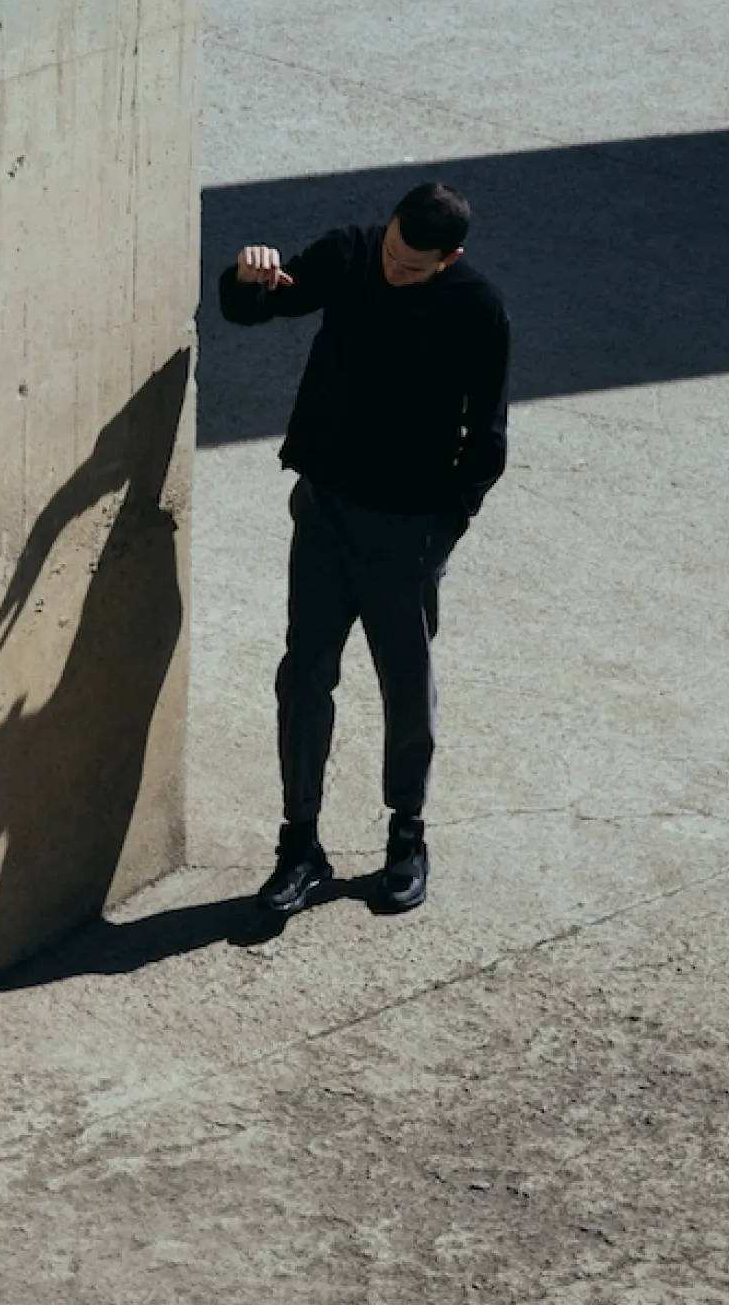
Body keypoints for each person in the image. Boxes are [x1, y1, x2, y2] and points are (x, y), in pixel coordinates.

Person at [218, 181, 509, 916]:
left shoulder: (477, 308)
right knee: (304, 678)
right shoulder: (350, 254)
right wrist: (245, 276)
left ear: (450, 259)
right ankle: (299, 844)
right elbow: (261, 304)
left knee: (407, 691)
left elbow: (489, 440)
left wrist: (441, 536)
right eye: (391, 252)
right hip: (324, 514)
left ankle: (406, 832)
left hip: (406, 534)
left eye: (412, 267)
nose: (393, 270)